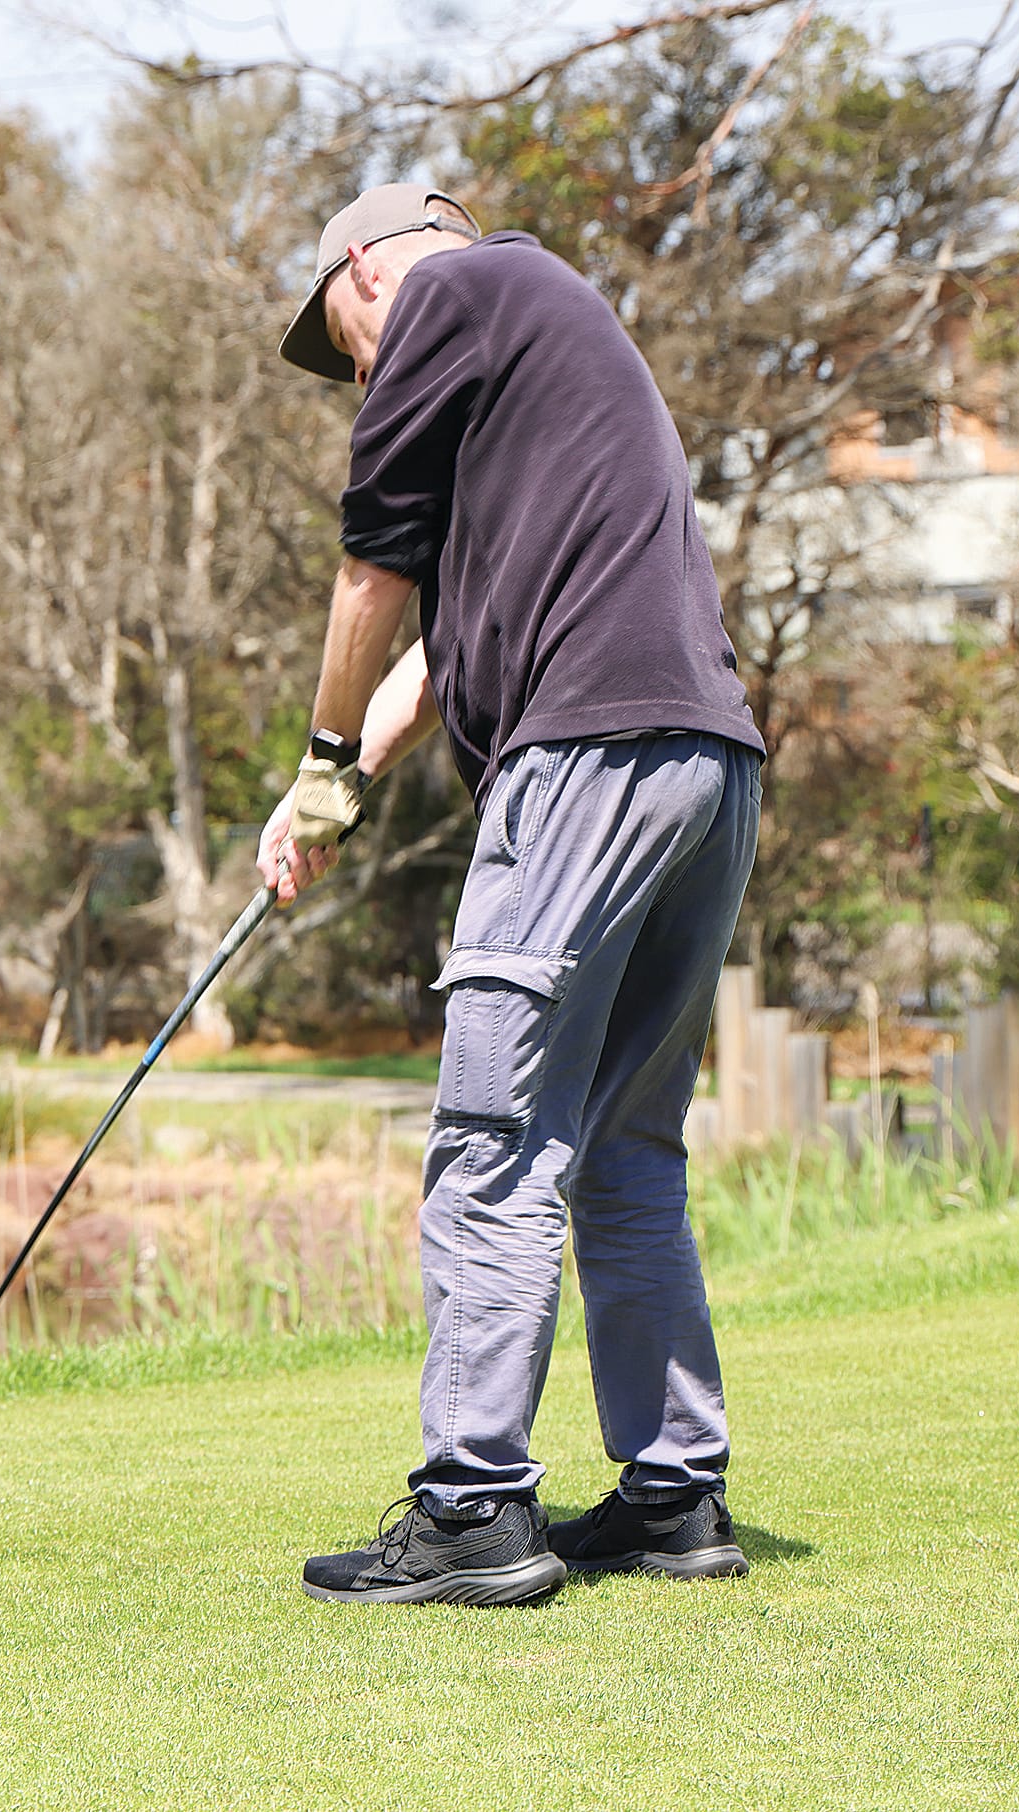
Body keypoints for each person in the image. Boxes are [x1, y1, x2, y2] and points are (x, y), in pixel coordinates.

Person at [257, 183, 766, 1605]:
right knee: (621, 1152)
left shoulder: (450, 294)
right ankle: (674, 1498)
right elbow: (433, 646)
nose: (357, 364)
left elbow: (370, 570)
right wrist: (339, 789)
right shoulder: (543, 336)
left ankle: (473, 1508)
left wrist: (309, 756)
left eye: (337, 335)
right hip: (701, 764)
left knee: (490, 1141)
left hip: (585, 766)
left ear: (365, 268)